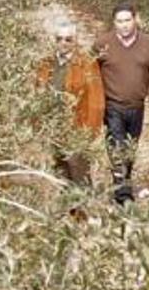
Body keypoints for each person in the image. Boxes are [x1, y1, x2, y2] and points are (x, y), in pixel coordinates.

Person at [93, 0, 149, 205]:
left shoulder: (148, 45)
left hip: (137, 106)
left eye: (127, 20)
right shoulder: (102, 44)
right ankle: (122, 194)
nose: (124, 25)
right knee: (117, 146)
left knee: (130, 149)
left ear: (135, 20)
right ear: (113, 22)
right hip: (112, 105)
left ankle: (124, 182)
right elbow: (90, 72)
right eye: (119, 21)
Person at [36, 20, 104, 189]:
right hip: (53, 128)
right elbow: (37, 95)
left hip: (77, 128)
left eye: (68, 39)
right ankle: (69, 212)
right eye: (59, 39)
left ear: (76, 40)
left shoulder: (87, 63)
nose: (63, 43)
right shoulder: (46, 64)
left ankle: (87, 211)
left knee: (79, 172)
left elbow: (96, 102)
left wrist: (89, 133)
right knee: (60, 172)